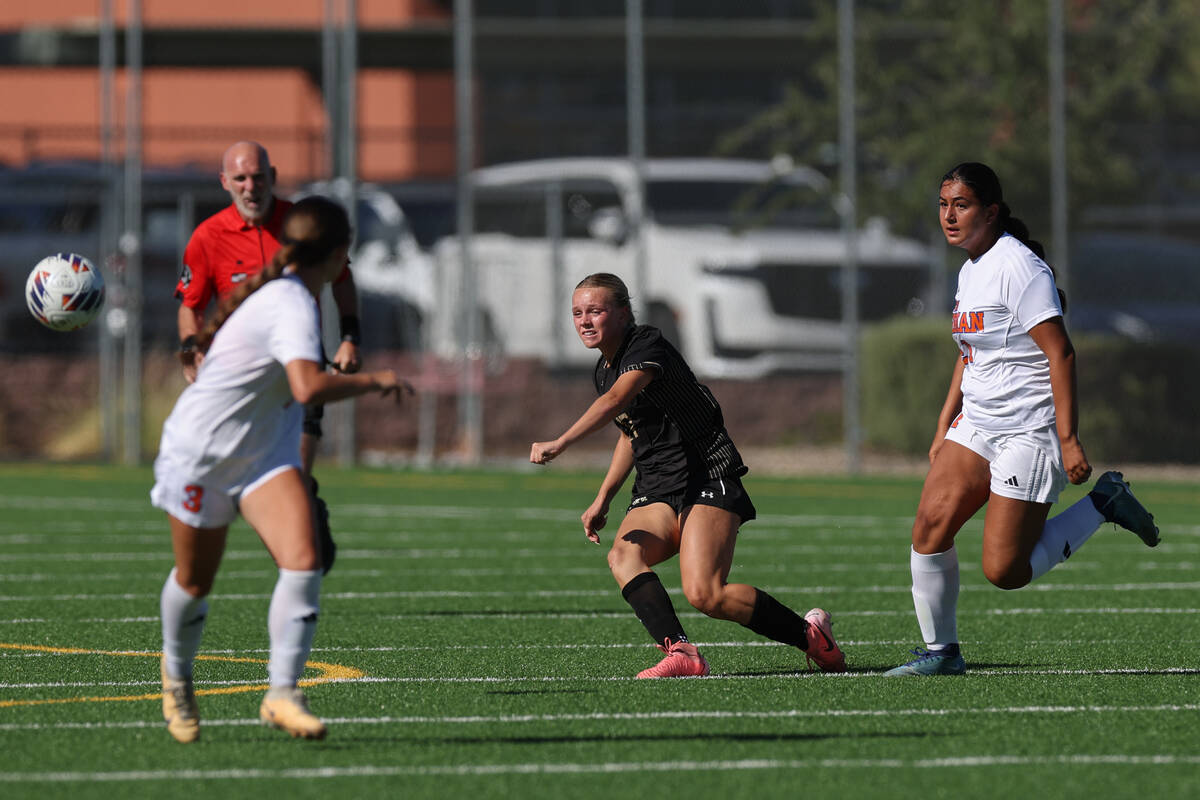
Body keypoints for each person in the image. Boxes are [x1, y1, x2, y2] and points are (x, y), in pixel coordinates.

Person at [885, 162, 1160, 677]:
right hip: (979, 424)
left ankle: (1104, 502)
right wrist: (945, 424)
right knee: (929, 527)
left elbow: (1061, 353)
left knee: (1005, 571)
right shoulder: (969, 268)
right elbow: (970, 354)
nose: (949, 215)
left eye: (961, 205)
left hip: (1029, 431)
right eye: (943, 204)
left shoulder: (1019, 267)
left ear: (990, 212)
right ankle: (941, 653)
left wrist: (1069, 439)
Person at [153, 196, 410, 742]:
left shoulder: (292, 295)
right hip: (201, 453)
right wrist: (375, 380)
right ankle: (175, 675)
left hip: (263, 453)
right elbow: (307, 387)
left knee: (302, 560)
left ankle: (282, 693)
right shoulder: (290, 301)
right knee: (195, 581)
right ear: (342, 254)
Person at [530, 273, 846, 678]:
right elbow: (631, 431)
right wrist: (603, 497)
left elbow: (616, 402)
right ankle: (682, 652)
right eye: (577, 313)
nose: (584, 321)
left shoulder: (646, 344)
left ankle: (811, 636)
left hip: (705, 474)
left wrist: (560, 442)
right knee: (623, 555)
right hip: (657, 486)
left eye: (596, 311)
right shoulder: (603, 369)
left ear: (624, 313)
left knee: (706, 594)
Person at [175, 140, 358, 573]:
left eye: (258, 177)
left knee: (291, 482)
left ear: (273, 177)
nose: (250, 186)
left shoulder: (302, 226)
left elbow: (343, 279)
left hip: (299, 372)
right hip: (239, 381)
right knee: (229, 485)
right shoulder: (207, 237)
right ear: (225, 182)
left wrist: (351, 338)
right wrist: (190, 351)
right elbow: (190, 305)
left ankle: (298, 544)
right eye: (240, 178)